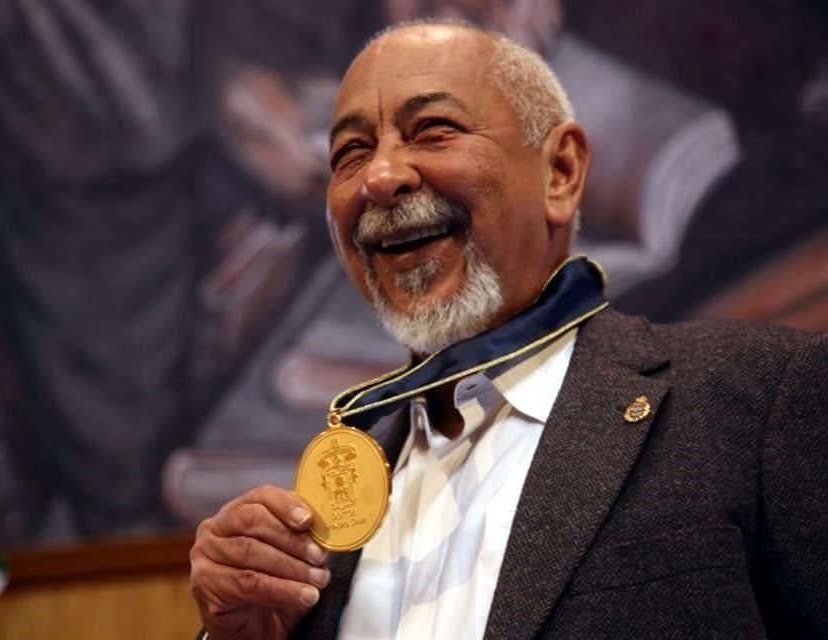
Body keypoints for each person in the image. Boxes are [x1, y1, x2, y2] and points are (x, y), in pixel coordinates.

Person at [188, 20, 828, 639]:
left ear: (561, 174)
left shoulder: (757, 401)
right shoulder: (325, 512)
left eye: (433, 130)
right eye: (350, 153)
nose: (379, 177)